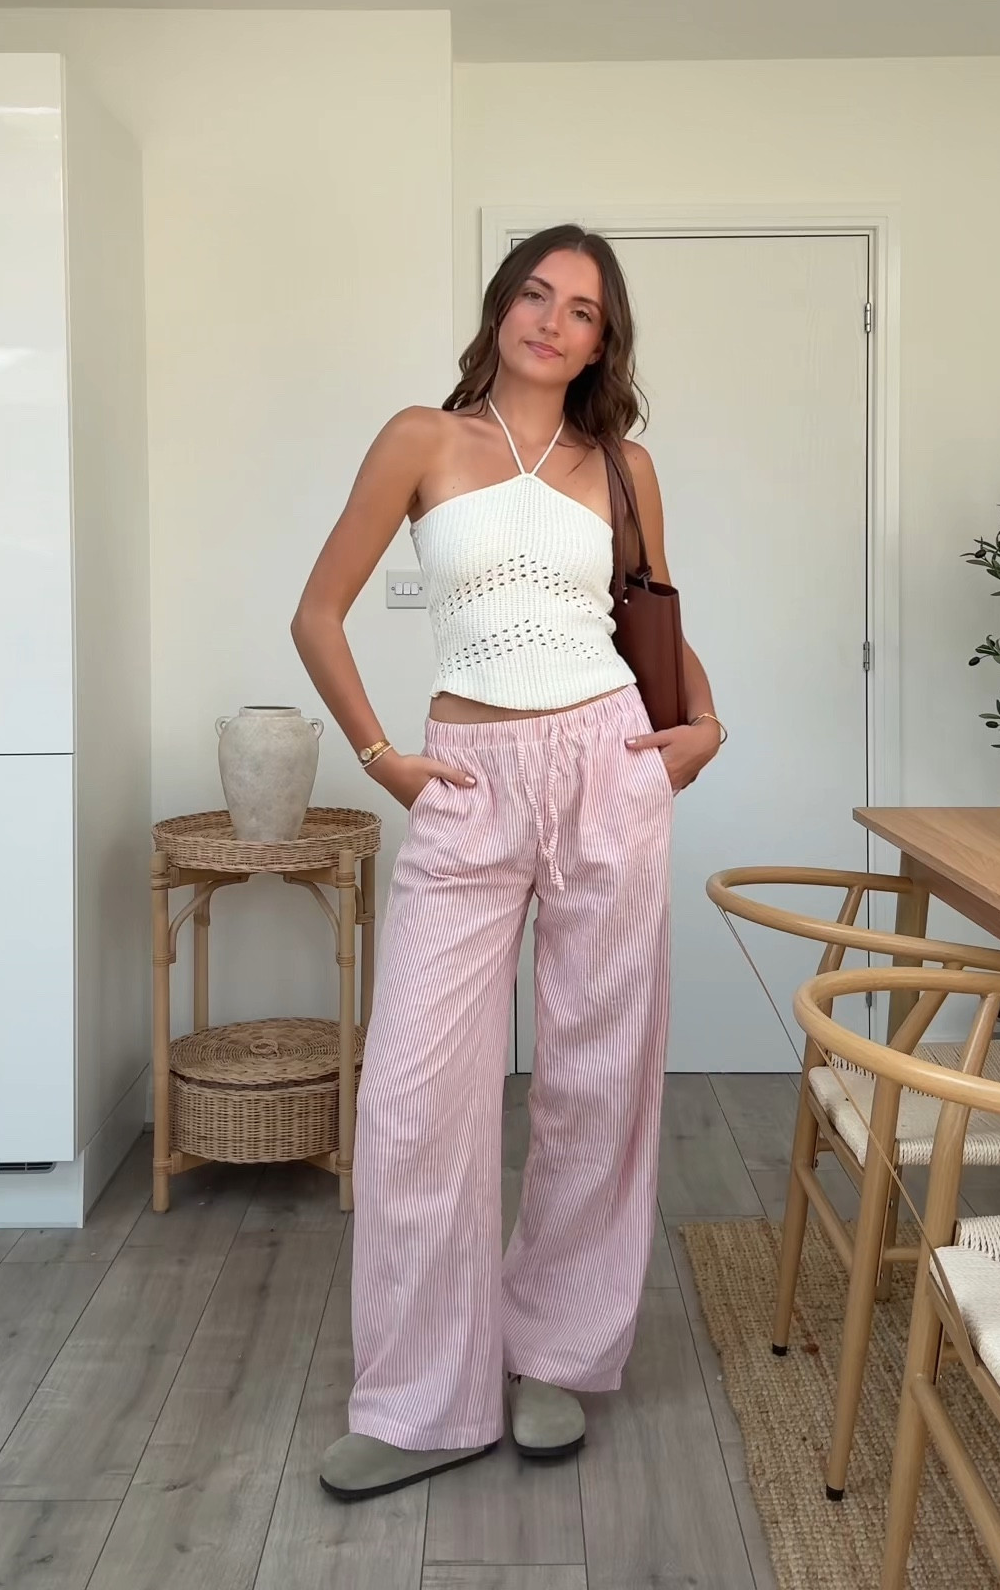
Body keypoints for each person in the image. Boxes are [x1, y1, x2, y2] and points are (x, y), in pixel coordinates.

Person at [290, 222, 725, 1503]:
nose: (553, 320)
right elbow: (317, 610)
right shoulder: (423, 440)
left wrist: (697, 733)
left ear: (604, 338)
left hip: (607, 766)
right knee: (416, 1096)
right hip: (468, 782)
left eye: (582, 309)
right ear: (501, 306)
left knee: (595, 1078)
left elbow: (650, 609)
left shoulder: (626, 465)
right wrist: (381, 759)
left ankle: (556, 1356)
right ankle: (424, 1397)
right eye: (536, 293)